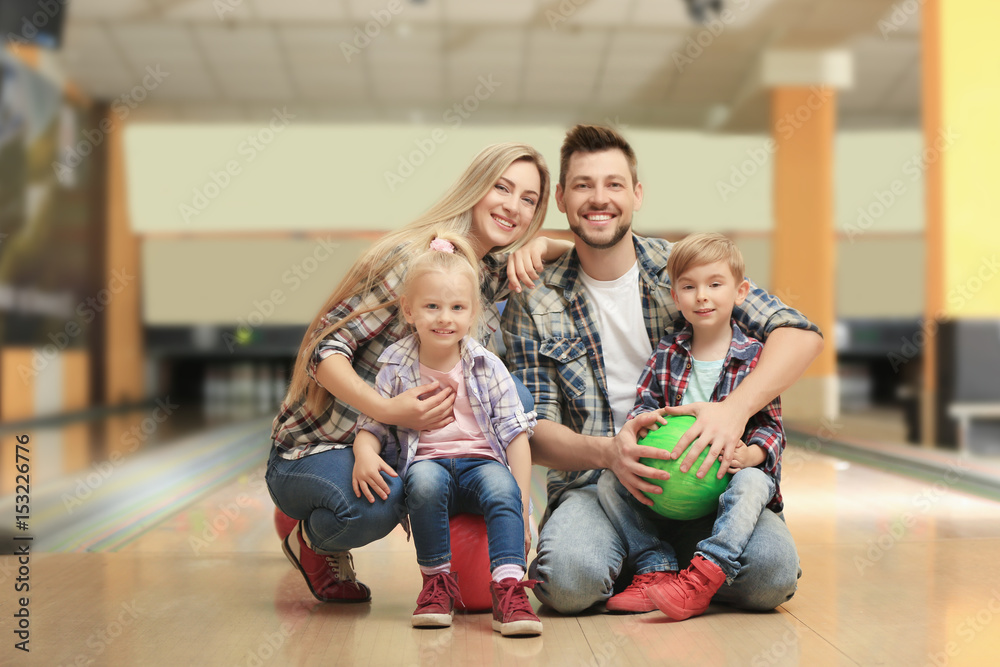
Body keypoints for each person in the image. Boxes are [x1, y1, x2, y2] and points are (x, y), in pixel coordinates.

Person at [500, 125, 824, 615]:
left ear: (637, 194)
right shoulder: (535, 298)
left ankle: (667, 568)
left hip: (703, 482)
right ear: (562, 199)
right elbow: (532, 431)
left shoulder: (683, 270)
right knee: (567, 584)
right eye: (583, 185)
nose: (599, 198)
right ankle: (649, 562)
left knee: (770, 580)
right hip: (598, 489)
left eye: (614, 184)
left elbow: (799, 334)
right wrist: (610, 454)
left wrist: (732, 412)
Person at [267, 143, 567, 604]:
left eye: (529, 200)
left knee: (516, 401)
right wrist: (389, 410)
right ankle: (310, 537)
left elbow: (592, 254)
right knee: (381, 501)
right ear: (474, 188)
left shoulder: (485, 270)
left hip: (394, 443)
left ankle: (328, 498)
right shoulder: (414, 262)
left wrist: (543, 242)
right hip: (322, 443)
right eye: (501, 188)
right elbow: (323, 351)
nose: (513, 206)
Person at [353, 231, 542, 636]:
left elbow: (515, 436)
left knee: (503, 489)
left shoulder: (487, 366)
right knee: (421, 483)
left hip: (480, 463)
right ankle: (436, 585)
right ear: (409, 310)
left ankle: (509, 589)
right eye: (432, 306)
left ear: (472, 313)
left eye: (457, 307)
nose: (445, 317)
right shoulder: (395, 364)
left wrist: (523, 506)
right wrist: (364, 451)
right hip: (429, 462)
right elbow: (372, 423)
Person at [596, 232, 785, 620]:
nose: (702, 295)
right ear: (674, 295)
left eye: (715, 284)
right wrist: (644, 429)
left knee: (753, 482)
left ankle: (704, 576)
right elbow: (643, 408)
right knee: (607, 478)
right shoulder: (666, 353)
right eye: (689, 286)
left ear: (741, 291)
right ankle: (655, 567)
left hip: (732, 479)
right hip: (673, 483)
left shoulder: (755, 358)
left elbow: (771, 426)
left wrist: (749, 454)